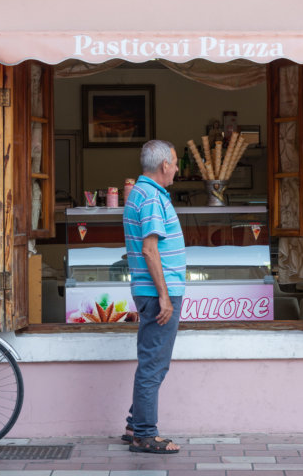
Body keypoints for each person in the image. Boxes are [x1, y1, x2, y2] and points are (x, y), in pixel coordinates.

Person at [121, 140, 185, 454]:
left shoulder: (146, 194)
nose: (176, 168)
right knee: (154, 364)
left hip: (153, 291)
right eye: (174, 163)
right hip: (157, 292)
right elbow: (149, 249)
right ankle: (145, 434)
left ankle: (136, 424)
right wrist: (164, 297)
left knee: (152, 361)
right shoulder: (149, 197)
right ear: (163, 165)